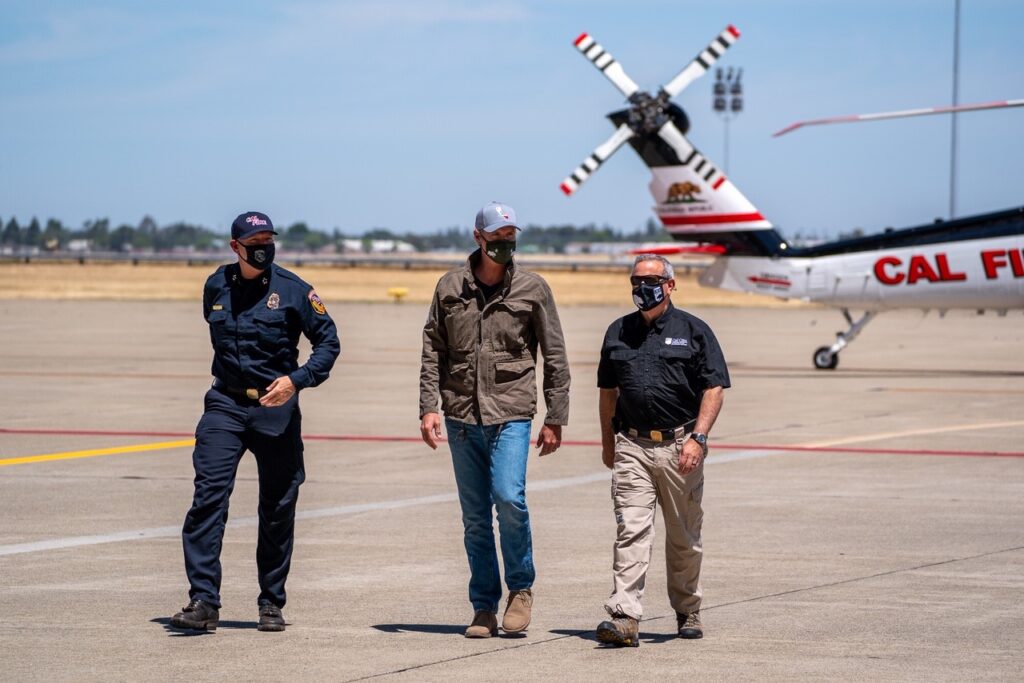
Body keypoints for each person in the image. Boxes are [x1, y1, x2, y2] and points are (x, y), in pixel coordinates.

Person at [170, 211, 340, 633]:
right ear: (236, 247)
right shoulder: (216, 285)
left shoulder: (294, 290)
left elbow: (328, 342)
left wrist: (296, 381)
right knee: (208, 498)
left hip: (274, 407)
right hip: (225, 403)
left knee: (278, 505)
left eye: (268, 240)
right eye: (255, 242)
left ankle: (271, 602)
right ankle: (203, 601)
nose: (264, 247)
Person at [419, 201, 571, 638]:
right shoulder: (450, 287)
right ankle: (484, 605)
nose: (505, 243)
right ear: (478, 237)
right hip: (461, 416)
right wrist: (428, 406)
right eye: (497, 236)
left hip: (512, 412)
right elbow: (433, 350)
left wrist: (555, 416)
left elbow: (555, 354)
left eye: (510, 236)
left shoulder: (532, 288)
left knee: (509, 498)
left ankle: (520, 589)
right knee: (474, 517)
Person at [594, 253, 729, 647]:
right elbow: (608, 392)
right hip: (632, 446)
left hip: (680, 447)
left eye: (651, 281)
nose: (642, 287)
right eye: (636, 281)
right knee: (631, 530)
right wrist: (608, 443)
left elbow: (714, 388)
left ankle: (688, 609)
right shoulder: (618, 332)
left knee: (683, 537)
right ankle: (624, 616)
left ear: (670, 285)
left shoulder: (694, 331)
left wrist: (698, 438)